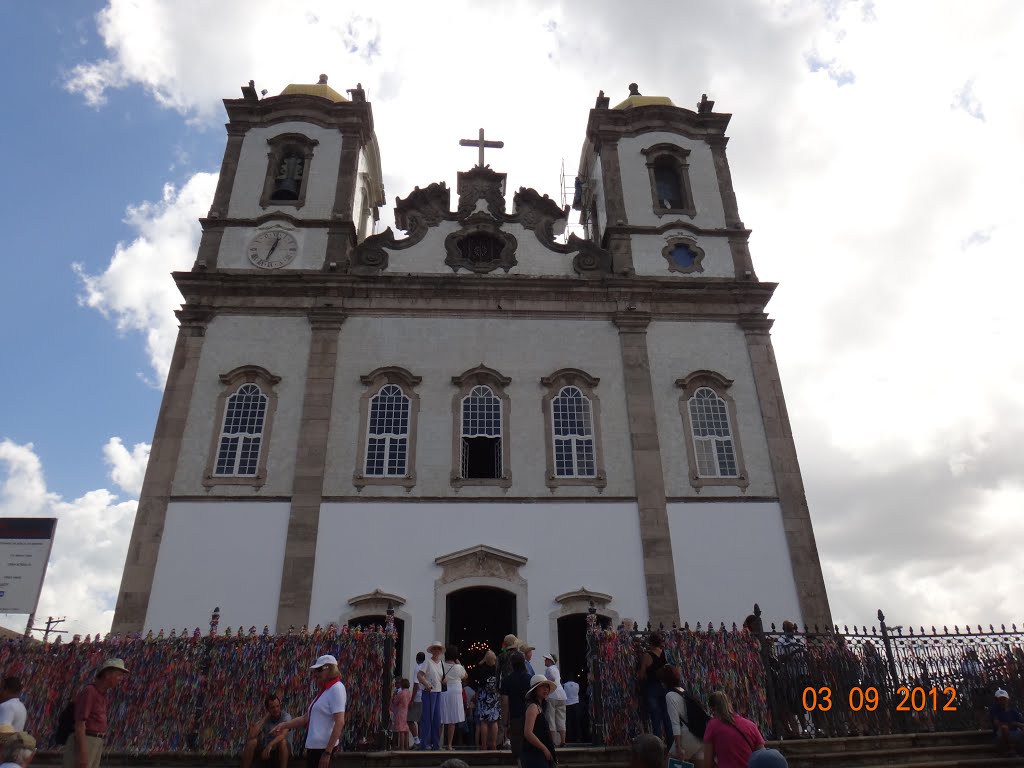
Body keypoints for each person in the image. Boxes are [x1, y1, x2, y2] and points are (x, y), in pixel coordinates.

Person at [270, 654, 346, 768]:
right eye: (316, 670)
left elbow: (339, 721)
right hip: (315, 748)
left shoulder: (336, 688)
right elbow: (305, 718)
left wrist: (328, 752)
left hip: (323, 749)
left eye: (319, 669)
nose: (316, 673)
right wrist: (284, 725)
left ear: (330, 669)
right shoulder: (326, 691)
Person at [63, 658, 129, 768]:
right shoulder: (90, 692)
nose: (120, 679)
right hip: (86, 741)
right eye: (118, 675)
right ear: (107, 674)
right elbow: (80, 724)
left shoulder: (102, 694)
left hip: (95, 742)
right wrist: (83, 753)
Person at [702, 691, 773, 768]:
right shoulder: (751, 726)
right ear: (730, 705)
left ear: (713, 709)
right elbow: (762, 757)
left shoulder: (712, 726)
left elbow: (707, 764)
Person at [659, 665, 704, 763]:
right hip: (700, 737)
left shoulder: (669, 695)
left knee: (667, 764)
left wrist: (678, 747)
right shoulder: (682, 691)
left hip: (687, 737)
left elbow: (675, 724)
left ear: (664, 682)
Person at [637, 632, 672, 742]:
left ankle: (658, 746)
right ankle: (670, 745)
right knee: (667, 718)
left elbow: (642, 674)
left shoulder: (647, 655)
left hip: (652, 688)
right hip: (665, 688)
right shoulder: (665, 654)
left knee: (655, 719)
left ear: (650, 643)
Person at [241, 694, 291, 768]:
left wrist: (269, 745)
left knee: (282, 742)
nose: (276, 709)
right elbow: (252, 735)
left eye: (277, 706)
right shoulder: (267, 718)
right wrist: (265, 718)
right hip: (266, 751)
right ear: (268, 709)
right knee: (252, 742)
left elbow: (283, 735)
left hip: (280, 750)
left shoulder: (286, 716)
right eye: (272, 707)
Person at [500, 651, 531, 761]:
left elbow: (504, 702)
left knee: (518, 751)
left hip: (515, 717)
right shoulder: (530, 679)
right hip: (530, 718)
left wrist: (504, 722)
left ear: (511, 664)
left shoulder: (506, 680)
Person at [521, 674, 556, 768]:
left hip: (538, 752)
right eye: (542, 687)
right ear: (535, 690)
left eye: (547, 687)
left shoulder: (540, 707)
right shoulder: (533, 707)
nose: (545, 689)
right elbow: (528, 733)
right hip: (533, 753)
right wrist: (544, 749)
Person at [417, 641, 445, 750]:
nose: (437, 650)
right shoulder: (427, 662)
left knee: (437, 719)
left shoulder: (441, 663)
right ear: (432, 650)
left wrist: (444, 680)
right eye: (435, 648)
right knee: (427, 718)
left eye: (438, 649)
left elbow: (441, 678)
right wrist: (426, 684)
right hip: (429, 692)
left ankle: (436, 744)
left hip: (438, 692)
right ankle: (424, 744)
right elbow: (420, 675)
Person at [440, 645, 467, 750]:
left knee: (441, 719)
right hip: (455, 692)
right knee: (452, 720)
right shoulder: (458, 667)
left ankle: (438, 743)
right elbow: (465, 676)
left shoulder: (441, 665)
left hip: (443, 691)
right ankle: (450, 745)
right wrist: (459, 664)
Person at [473, 650, 500, 750]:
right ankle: (493, 744)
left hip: (484, 696)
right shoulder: (498, 670)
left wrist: (482, 661)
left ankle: (483, 744)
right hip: (494, 696)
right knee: (494, 721)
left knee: (484, 722)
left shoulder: (482, 670)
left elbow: (474, 674)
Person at [542, 653, 567, 746]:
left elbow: (552, 678)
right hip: (561, 695)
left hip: (552, 695)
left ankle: (552, 741)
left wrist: (547, 683)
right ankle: (563, 741)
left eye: (546, 659)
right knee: (561, 718)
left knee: (551, 718)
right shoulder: (556, 669)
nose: (544, 661)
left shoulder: (550, 669)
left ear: (550, 660)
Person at [990, 688, 1024, 756]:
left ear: (1008, 699)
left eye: (1004, 699)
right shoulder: (995, 712)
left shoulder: (1013, 711)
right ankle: (1010, 750)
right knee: (1004, 728)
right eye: (1000, 699)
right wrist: (1013, 724)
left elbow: (1021, 723)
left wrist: (1018, 724)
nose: (1003, 701)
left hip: (1015, 732)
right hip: (1001, 735)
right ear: (996, 700)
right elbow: (997, 725)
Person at [409, 651, 426, 747]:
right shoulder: (426, 667)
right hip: (424, 696)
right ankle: (421, 740)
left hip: (418, 697)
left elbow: (416, 685)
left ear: (416, 659)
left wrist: (412, 700)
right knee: (420, 721)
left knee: (410, 719)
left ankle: (417, 740)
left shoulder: (417, 668)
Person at [390, 679, 412, 750]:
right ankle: (406, 747)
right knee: (406, 731)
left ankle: (401, 747)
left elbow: (395, 702)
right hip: (408, 712)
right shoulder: (410, 693)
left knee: (401, 731)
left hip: (401, 712)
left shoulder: (400, 693)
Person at [563, 677, 581, 744]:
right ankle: (578, 737)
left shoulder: (564, 685)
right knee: (577, 722)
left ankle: (569, 738)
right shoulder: (577, 685)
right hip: (576, 703)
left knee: (568, 722)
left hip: (568, 704)